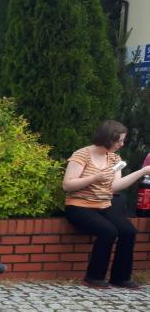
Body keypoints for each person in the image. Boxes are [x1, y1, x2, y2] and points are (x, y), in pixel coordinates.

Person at [63, 120, 149, 288]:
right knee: (108, 231)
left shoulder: (114, 158)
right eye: (119, 141)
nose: (122, 144)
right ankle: (93, 277)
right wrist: (95, 178)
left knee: (128, 231)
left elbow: (114, 187)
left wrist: (143, 172)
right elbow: (67, 185)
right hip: (79, 206)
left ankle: (121, 278)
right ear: (107, 138)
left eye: (123, 140)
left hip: (103, 204)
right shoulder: (82, 155)